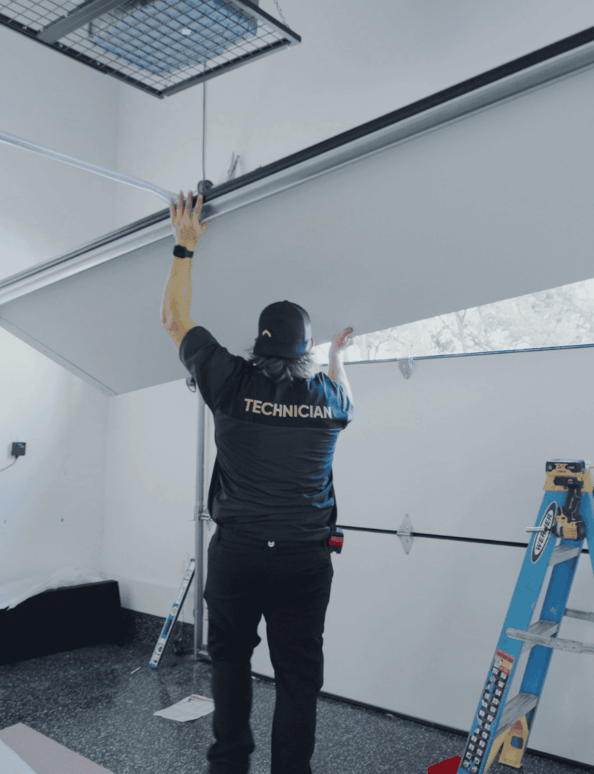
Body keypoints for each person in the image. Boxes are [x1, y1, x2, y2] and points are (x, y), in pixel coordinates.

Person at [161, 190, 355, 774]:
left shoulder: (228, 380)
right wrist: (338, 356)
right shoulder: (330, 399)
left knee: (229, 661)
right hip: (303, 558)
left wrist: (185, 245)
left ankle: (229, 766)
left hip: (239, 554)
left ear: (258, 341)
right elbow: (343, 390)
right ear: (307, 351)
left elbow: (175, 319)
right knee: (298, 676)